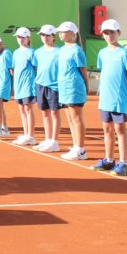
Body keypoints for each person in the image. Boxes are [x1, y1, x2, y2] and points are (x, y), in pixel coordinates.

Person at [87, 19, 127, 175]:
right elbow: (104, 73)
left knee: (120, 129)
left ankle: (124, 163)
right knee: (107, 129)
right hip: (105, 98)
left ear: (118, 33)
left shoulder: (124, 53)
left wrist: (123, 90)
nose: (109, 36)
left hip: (118, 98)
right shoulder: (102, 53)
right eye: (106, 33)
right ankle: (109, 160)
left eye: (112, 32)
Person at [55, 21, 89, 161]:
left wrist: (86, 88)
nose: (60, 34)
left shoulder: (76, 50)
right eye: (60, 32)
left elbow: (83, 71)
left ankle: (81, 150)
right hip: (64, 88)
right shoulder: (62, 49)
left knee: (76, 118)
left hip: (74, 87)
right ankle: (76, 146)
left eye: (63, 31)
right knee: (70, 118)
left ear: (72, 34)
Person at [31, 24, 61, 152]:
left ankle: (54, 141)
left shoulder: (59, 51)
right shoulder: (37, 52)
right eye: (42, 35)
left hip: (54, 86)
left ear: (53, 37)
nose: (45, 37)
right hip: (40, 84)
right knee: (45, 113)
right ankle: (48, 139)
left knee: (54, 113)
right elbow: (36, 67)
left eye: (47, 35)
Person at [10, 28, 38, 146]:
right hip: (18, 86)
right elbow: (13, 69)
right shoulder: (16, 52)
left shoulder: (32, 52)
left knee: (28, 108)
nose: (20, 39)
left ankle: (31, 136)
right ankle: (26, 134)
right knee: (22, 109)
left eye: (22, 37)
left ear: (28, 38)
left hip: (28, 85)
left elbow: (37, 68)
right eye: (18, 37)